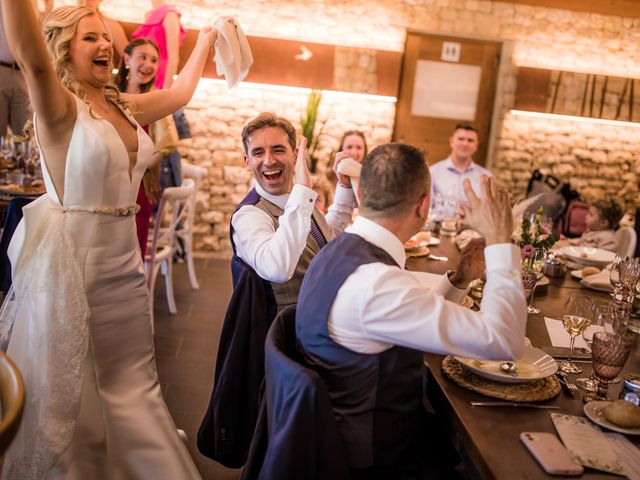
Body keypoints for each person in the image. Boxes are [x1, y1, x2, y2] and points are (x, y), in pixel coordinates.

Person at [0, 2, 217, 477]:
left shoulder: (122, 103)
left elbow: (179, 93)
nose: (106, 47)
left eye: (106, 38)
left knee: (134, 382)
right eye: (90, 38)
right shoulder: (59, 107)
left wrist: (209, 37)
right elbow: (31, 57)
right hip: (78, 269)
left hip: (126, 267)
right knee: (74, 385)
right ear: (65, 49)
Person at [295, 143, 527, 478]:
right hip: (375, 460)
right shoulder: (376, 285)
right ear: (424, 205)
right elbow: (503, 342)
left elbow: (409, 318)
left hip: (339, 435)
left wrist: (460, 279)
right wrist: (501, 240)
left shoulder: (342, 248)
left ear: (366, 192)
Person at [231, 112, 356, 311]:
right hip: (288, 331)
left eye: (278, 150)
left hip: (324, 310)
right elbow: (277, 268)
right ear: (247, 162)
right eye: (258, 153)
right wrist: (303, 189)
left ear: (296, 155)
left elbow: (327, 235)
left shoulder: (298, 201)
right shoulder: (249, 216)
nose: (269, 160)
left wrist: (345, 187)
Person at [115, 38, 179, 258]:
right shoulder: (108, 95)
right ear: (126, 60)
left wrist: (135, 167)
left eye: (154, 60)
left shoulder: (155, 98)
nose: (149, 65)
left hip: (140, 186)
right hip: (108, 182)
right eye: (142, 57)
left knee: (133, 248)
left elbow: (168, 143)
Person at [429, 122, 492, 207]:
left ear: (476, 145)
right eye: (461, 139)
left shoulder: (486, 177)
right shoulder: (432, 172)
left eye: (470, 140)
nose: (465, 144)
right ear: (451, 141)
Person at [132, 0, 185, 89]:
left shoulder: (170, 15)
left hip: (161, 77)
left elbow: (173, 56)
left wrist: (166, 89)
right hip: (144, 74)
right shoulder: (149, 14)